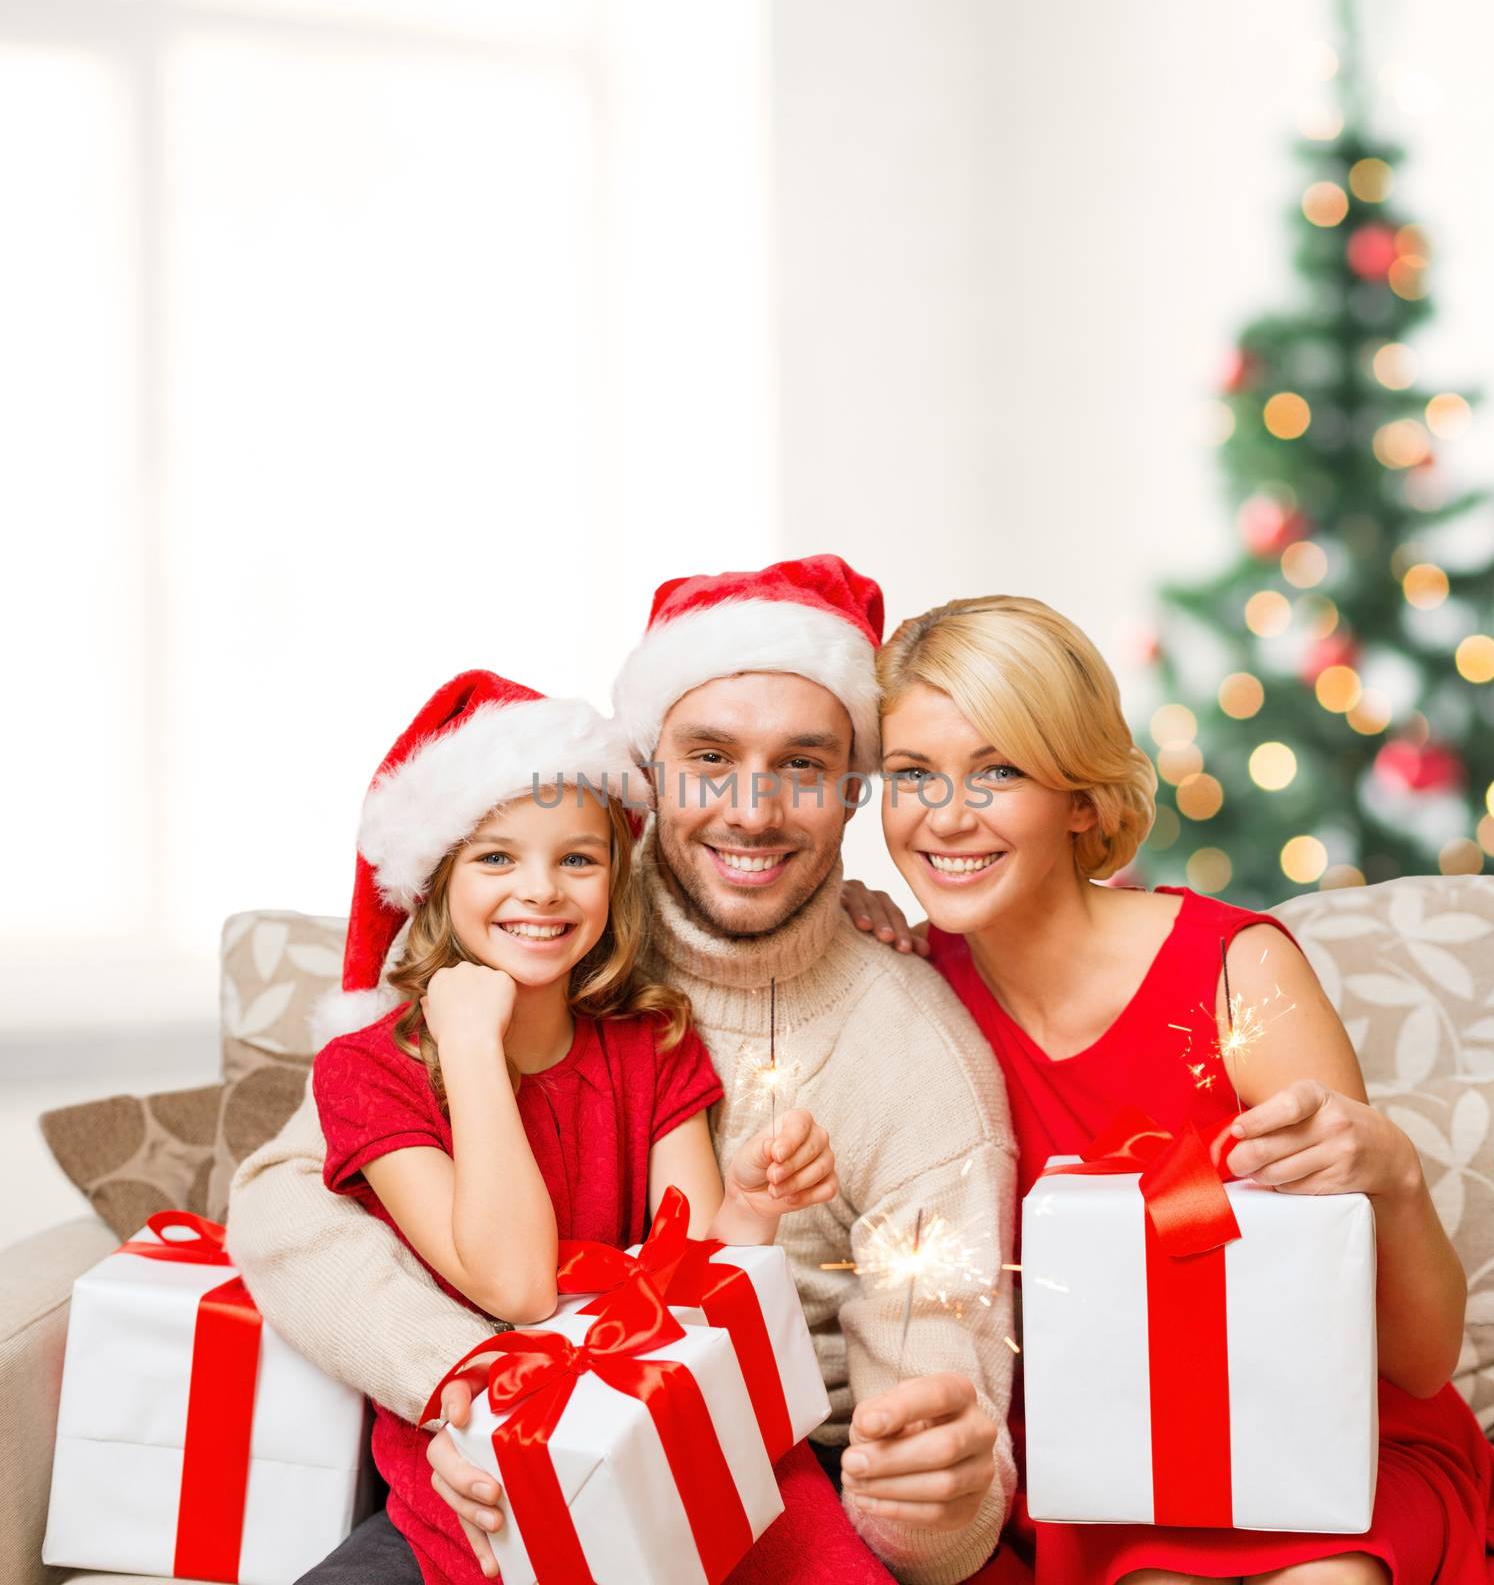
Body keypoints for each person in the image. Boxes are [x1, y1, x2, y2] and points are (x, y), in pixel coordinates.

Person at [227, 557, 1019, 1584]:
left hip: (743, 1459)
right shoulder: (532, 921)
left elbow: (925, 1455)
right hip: (470, 1458)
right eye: (707, 758)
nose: (750, 809)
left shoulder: (904, 1056)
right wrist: (458, 1385)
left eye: (802, 767)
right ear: (647, 770)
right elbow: (284, 1200)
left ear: (851, 791)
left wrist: (935, 1490)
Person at [841, 592, 1494, 1585]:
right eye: (911, 775)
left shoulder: (1234, 971)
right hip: (1112, 1472)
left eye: (997, 770)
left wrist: (1396, 1180)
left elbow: (1414, 1364)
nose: (946, 815)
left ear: (1079, 796)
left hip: (1330, 1451)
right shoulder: (907, 994)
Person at [303, 668, 842, 1585]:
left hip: (657, 1428)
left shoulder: (651, 1040)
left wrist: (749, 1210)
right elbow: (515, 1286)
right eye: (497, 859)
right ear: (436, 881)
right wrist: (470, 1045)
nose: (542, 892)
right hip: (483, 1466)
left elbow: (690, 1282)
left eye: (577, 860)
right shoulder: (365, 1073)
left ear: (614, 877)